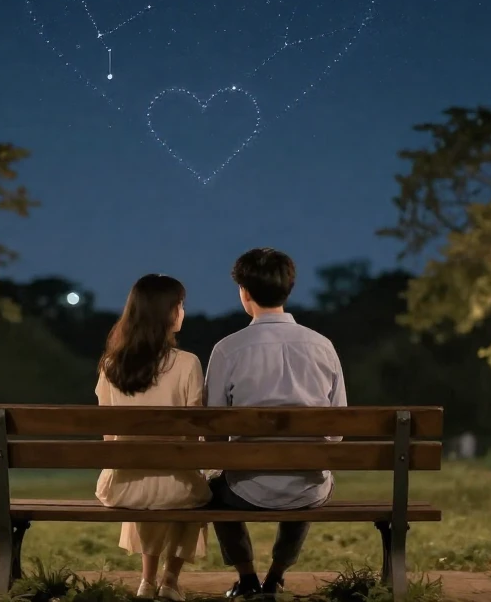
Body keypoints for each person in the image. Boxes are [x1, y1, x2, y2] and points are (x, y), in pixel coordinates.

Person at [204, 248, 347, 597]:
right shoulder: (323, 346)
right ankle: (277, 576)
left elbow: (213, 432)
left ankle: (247, 577)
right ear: (289, 288)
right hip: (308, 488)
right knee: (311, 477)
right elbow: (336, 431)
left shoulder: (227, 349)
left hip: (245, 491)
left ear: (244, 293)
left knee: (213, 490)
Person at [95, 273, 211, 601]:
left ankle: (146, 581)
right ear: (170, 312)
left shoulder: (111, 364)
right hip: (178, 488)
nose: (183, 312)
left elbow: (108, 436)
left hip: (122, 487)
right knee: (187, 485)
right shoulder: (187, 363)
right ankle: (170, 581)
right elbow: (196, 433)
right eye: (181, 305)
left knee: (142, 477)